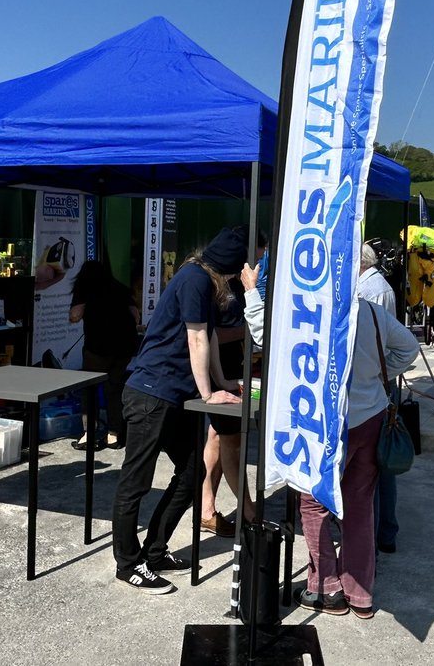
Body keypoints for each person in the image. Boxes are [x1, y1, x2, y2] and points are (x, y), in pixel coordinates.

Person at [240, 250, 420, 619]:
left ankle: (325, 586)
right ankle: (360, 594)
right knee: (359, 506)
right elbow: (409, 348)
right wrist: (379, 378)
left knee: (314, 502)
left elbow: (264, 336)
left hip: (324, 423)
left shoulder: (311, 314)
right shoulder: (370, 311)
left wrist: (250, 292)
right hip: (369, 417)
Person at [110, 226, 247, 595]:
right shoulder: (194, 280)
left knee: (191, 473)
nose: (247, 271)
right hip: (150, 392)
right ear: (233, 262)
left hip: (175, 395)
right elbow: (196, 337)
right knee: (136, 482)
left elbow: (212, 337)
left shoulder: (209, 283)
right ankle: (127, 564)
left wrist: (222, 383)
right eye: (249, 263)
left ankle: (154, 552)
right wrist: (209, 393)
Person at [199, 234, 267, 537]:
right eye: (258, 256)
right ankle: (250, 512)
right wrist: (249, 331)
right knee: (229, 440)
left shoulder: (239, 285)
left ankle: (207, 508)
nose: (259, 264)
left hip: (234, 371)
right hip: (219, 373)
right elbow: (208, 334)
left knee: (217, 436)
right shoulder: (213, 284)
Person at [68, 259, 139, 450]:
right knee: (114, 388)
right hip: (124, 348)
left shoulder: (85, 288)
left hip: (98, 349)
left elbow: (75, 315)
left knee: (89, 389)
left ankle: (88, 435)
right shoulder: (120, 288)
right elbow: (135, 315)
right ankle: (113, 435)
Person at [358, 243, 401, 555]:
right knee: (380, 463)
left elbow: (390, 343)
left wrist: (383, 373)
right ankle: (384, 532)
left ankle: (379, 532)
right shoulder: (377, 285)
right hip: (380, 379)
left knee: (377, 464)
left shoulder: (371, 291)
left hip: (375, 383)